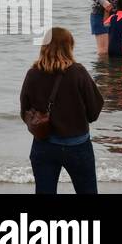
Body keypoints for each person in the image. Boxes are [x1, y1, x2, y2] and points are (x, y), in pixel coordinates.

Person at [20, 27, 104, 195]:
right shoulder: (78, 72)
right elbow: (94, 111)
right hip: (78, 145)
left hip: (44, 146)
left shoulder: (33, 74)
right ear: (69, 47)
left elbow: (24, 111)